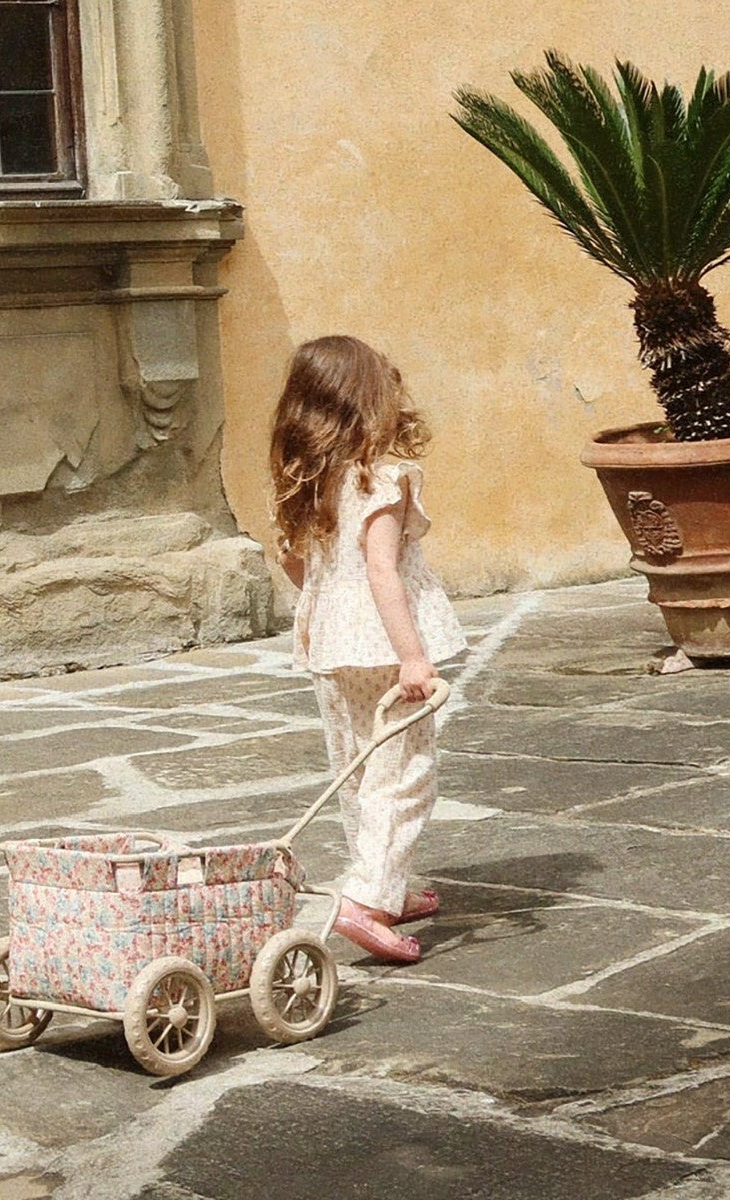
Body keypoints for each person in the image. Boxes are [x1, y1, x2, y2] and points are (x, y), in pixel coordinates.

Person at [269, 336, 466, 964]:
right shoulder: (380, 480)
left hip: (332, 647)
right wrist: (414, 656)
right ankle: (369, 902)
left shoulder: (307, 481)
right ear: (369, 402)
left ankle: (383, 882)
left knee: (357, 769)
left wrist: (330, 608)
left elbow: (295, 565)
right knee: (404, 775)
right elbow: (383, 571)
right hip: (383, 648)